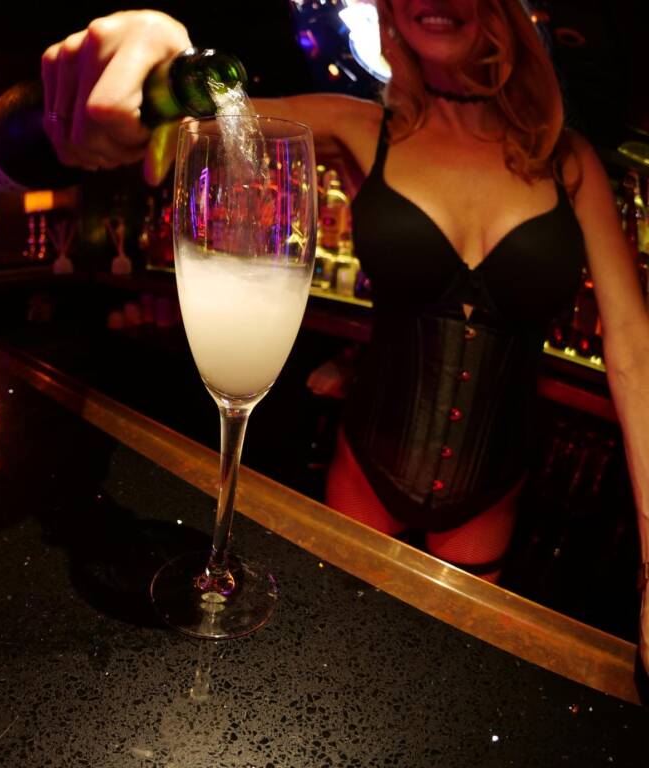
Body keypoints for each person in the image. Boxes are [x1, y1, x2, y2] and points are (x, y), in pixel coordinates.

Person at [40, 2, 649, 671]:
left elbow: (634, 348)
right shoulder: (362, 126)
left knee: (448, 674)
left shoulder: (570, 162)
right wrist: (160, 52)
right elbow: (212, 116)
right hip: (366, 464)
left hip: (493, 488)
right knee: (336, 650)